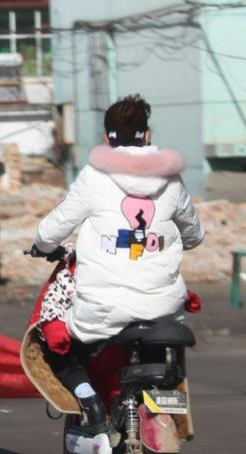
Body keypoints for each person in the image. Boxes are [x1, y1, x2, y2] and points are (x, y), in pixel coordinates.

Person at [31, 94, 204, 435]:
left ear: (107, 138)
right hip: (162, 308)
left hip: (102, 308)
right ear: (148, 135)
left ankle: (91, 404)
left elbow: (54, 229)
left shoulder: (95, 175)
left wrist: (40, 246)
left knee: (57, 348)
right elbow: (194, 234)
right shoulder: (171, 179)